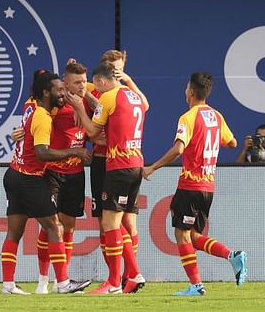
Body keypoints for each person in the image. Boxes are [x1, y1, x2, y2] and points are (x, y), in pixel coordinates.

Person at [142, 72, 247, 296]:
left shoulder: (188, 117)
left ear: (190, 92)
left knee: (182, 234)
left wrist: (152, 167)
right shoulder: (216, 116)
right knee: (193, 236)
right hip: (208, 187)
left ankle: (196, 286)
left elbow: (179, 149)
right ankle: (232, 256)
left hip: (190, 185)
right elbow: (232, 142)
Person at [1, 70, 92, 295]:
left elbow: (39, 77)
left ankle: (8, 285)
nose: (63, 93)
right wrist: (75, 151)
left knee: (14, 231)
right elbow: (42, 153)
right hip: (30, 179)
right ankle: (62, 283)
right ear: (46, 92)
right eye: (59, 90)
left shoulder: (30, 106)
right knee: (54, 226)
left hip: (13, 173)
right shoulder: (42, 115)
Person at [65, 62, 147, 294]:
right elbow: (144, 106)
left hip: (118, 166)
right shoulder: (134, 96)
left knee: (109, 223)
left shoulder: (109, 98)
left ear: (100, 82)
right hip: (135, 164)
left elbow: (91, 131)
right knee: (118, 223)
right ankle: (133, 274)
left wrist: (80, 108)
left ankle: (113, 283)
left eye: (95, 84)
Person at [35, 62, 93, 294]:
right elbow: (34, 112)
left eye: (84, 82)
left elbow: (97, 129)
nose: (82, 86)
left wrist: (81, 107)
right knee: (51, 225)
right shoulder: (55, 106)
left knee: (68, 225)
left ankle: (64, 279)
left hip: (76, 174)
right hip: (52, 172)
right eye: (77, 83)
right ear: (65, 84)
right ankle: (42, 281)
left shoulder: (88, 101)